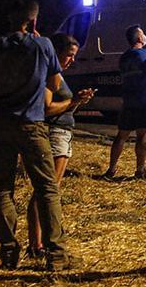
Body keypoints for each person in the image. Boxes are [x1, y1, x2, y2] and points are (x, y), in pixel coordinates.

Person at [0, 0, 79, 270]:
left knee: (2, 188)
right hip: (31, 124)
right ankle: (56, 253)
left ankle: (8, 249)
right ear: (33, 21)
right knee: (46, 188)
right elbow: (55, 83)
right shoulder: (42, 45)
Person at [27, 33, 95, 259]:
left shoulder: (57, 76)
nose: (72, 60)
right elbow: (46, 109)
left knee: (47, 190)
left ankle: (38, 244)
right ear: (56, 53)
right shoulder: (49, 74)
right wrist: (73, 101)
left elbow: (63, 107)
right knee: (47, 191)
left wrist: (76, 102)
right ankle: (39, 245)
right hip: (54, 135)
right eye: (69, 55)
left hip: (61, 134)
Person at [103, 25, 146, 180]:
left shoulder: (124, 57)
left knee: (121, 135)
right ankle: (140, 170)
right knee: (142, 136)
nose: (144, 36)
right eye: (142, 34)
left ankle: (111, 168)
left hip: (128, 101)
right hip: (144, 100)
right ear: (139, 38)